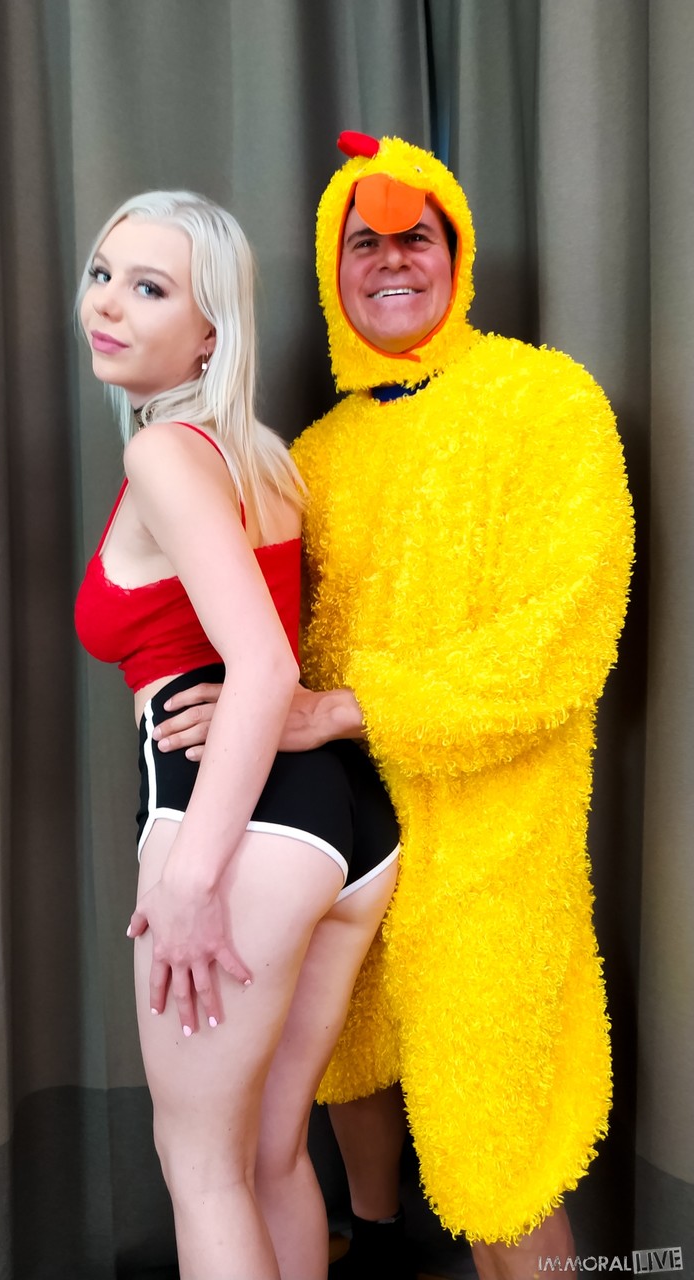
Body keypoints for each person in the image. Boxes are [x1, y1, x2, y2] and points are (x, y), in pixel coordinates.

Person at [152, 135, 635, 1280]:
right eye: (362, 241)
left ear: (455, 257)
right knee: (340, 1072)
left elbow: (560, 640)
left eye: (414, 235)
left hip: (491, 844)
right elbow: (270, 633)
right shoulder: (314, 454)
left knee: (496, 1154)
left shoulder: (545, 400)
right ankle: (374, 1245)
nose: (390, 260)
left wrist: (344, 707)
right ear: (334, 272)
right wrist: (238, 701)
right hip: (350, 836)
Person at [73, 189, 400, 1280]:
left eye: (149, 288)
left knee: (203, 1168)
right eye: (103, 274)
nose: (107, 304)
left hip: (238, 822)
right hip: (343, 820)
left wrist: (191, 877)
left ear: (211, 332)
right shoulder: (256, 453)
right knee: (268, 1153)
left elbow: (262, 667)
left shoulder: (166, 456)